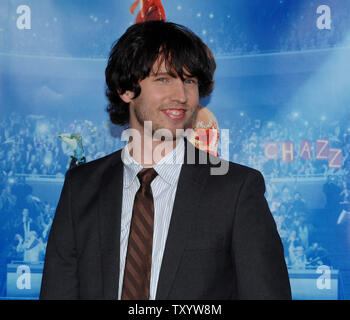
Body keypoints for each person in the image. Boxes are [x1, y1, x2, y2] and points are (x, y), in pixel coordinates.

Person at [40, 21, 291, 300]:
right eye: (163, 79)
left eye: (190, 81)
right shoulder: (81, 187)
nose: (181, 96)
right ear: (126, 89)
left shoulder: (236, 189)